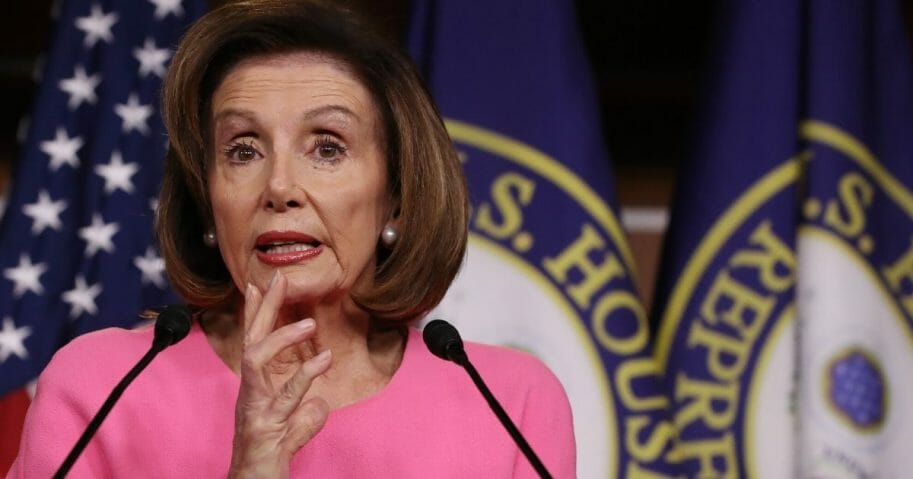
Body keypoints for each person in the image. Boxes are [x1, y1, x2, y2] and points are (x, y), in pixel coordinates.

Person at [8, 0, 576, 477]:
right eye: (243, 150)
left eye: (327, 146)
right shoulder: (99, 390)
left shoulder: (507, 401)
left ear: (397, 196)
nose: (279, 186)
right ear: (207, 201)